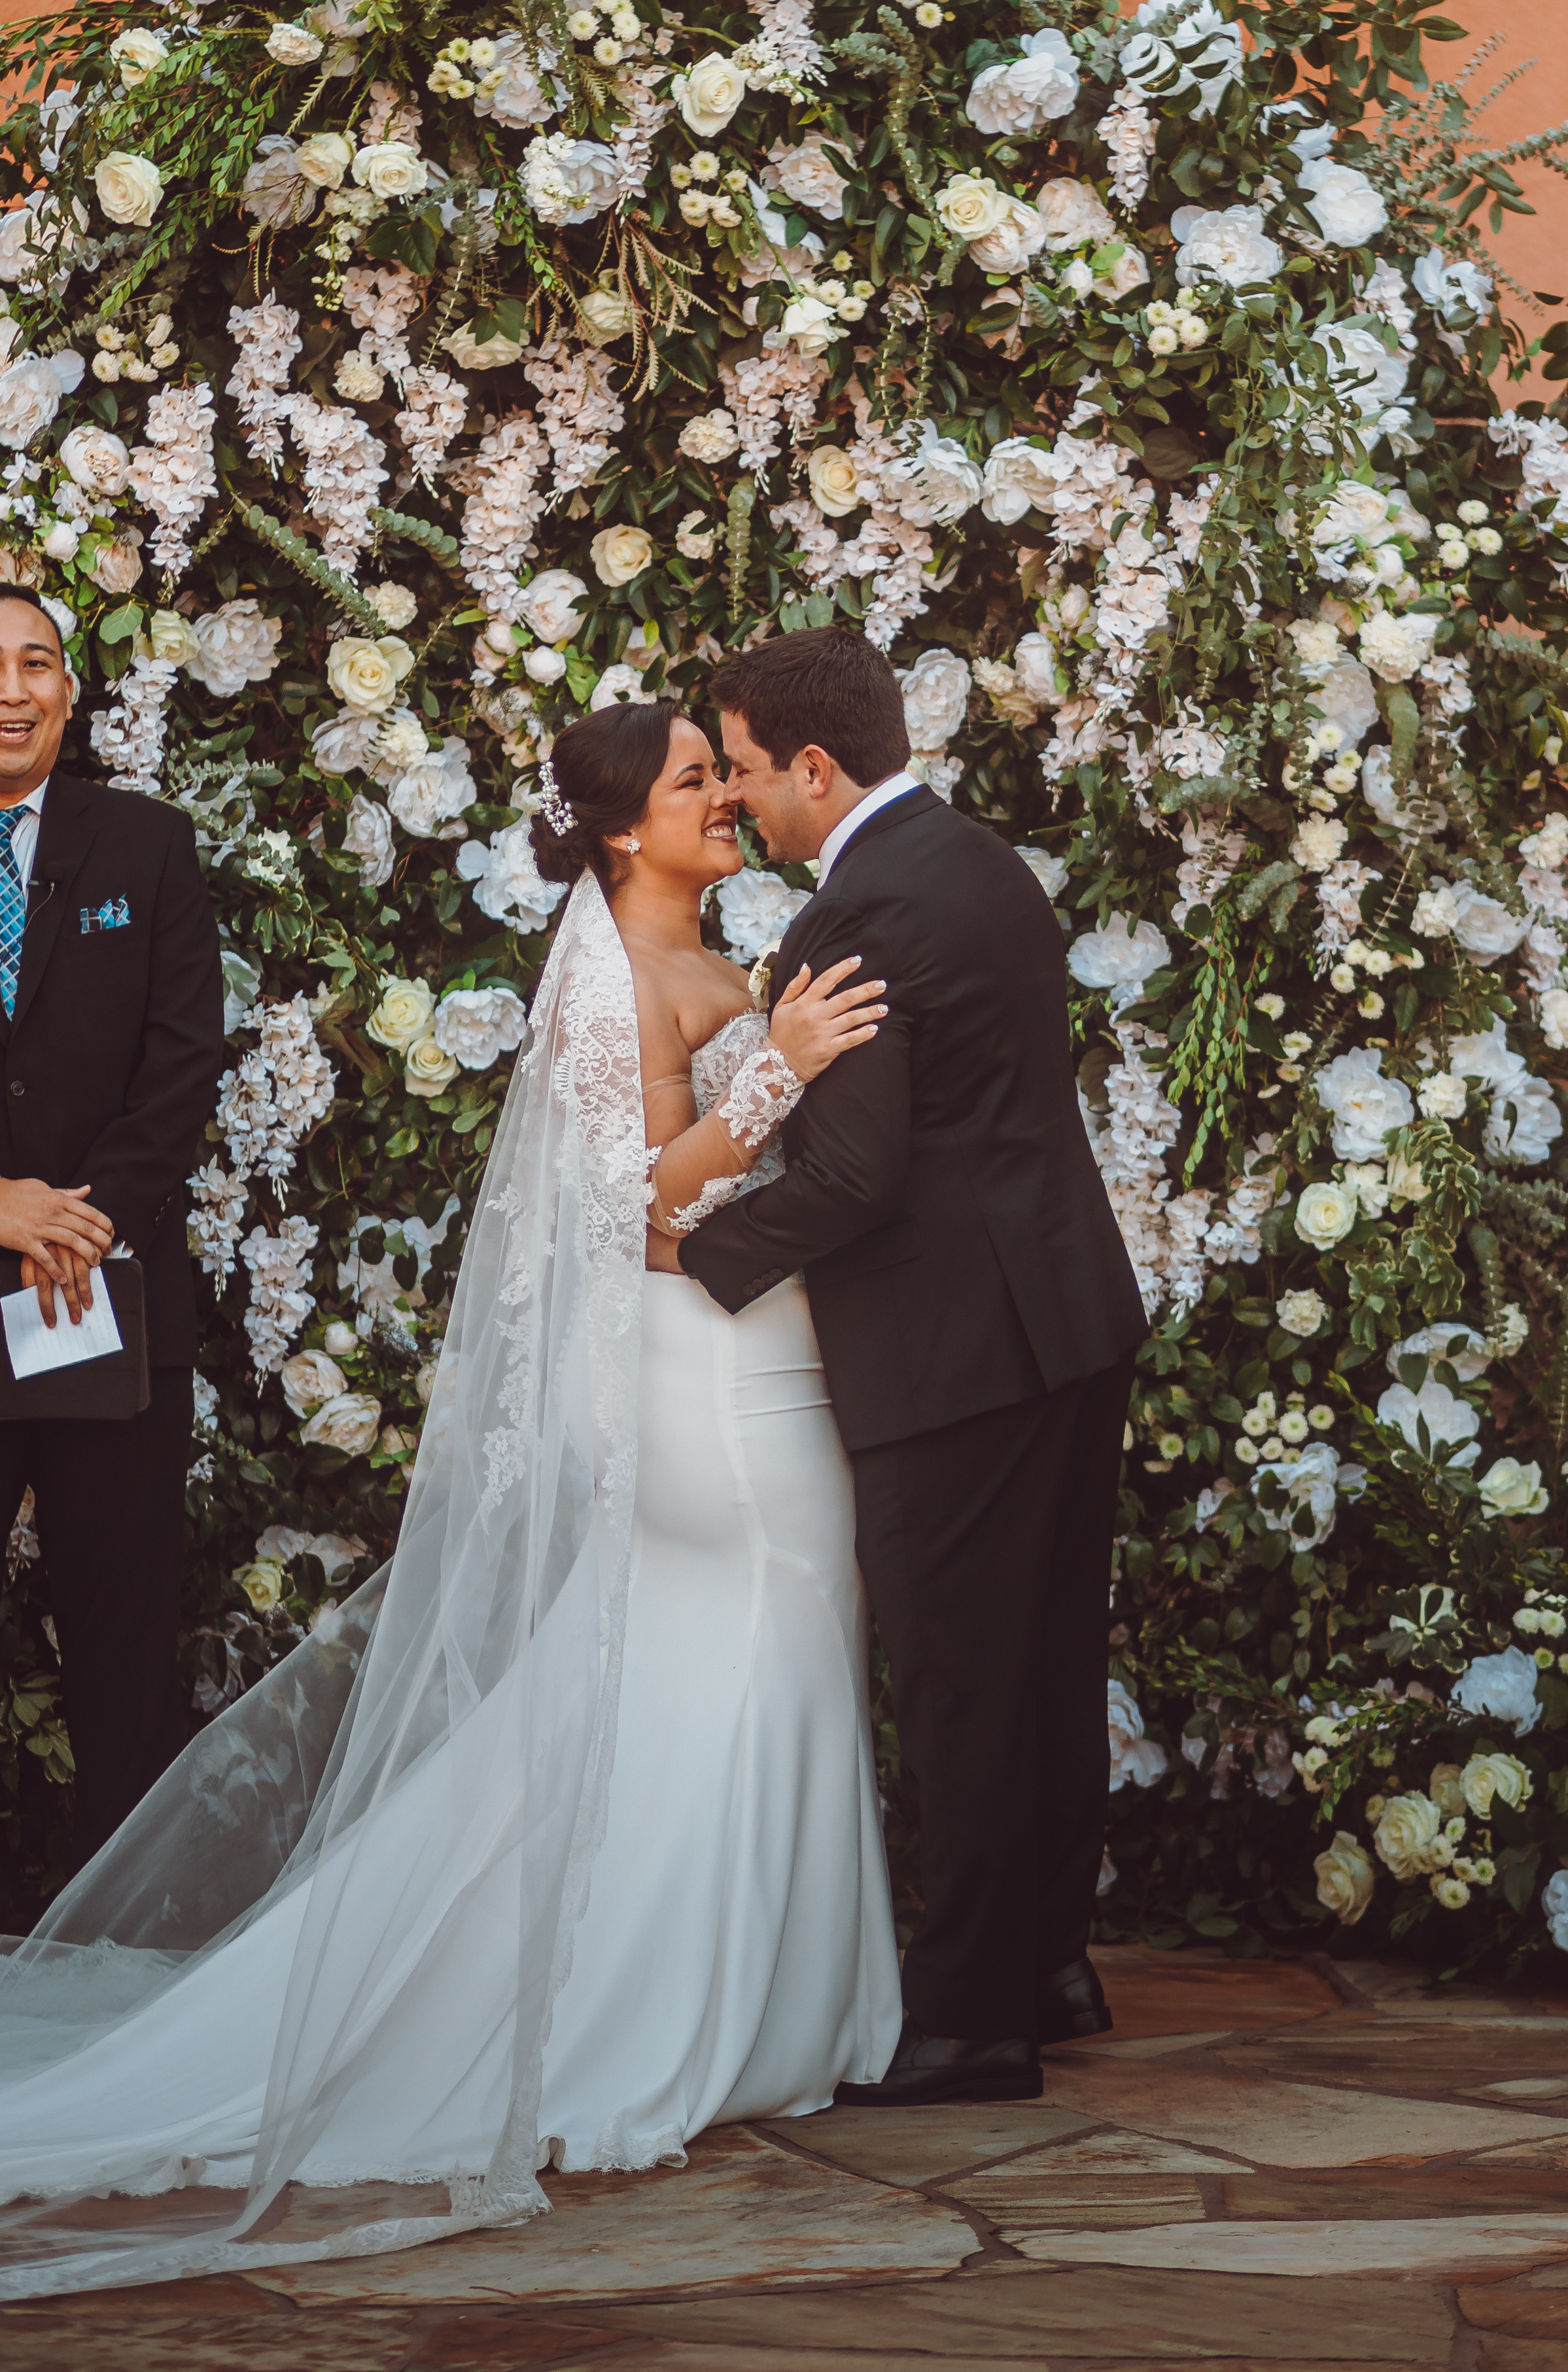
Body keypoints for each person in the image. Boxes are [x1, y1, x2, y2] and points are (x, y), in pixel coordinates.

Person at [0, 699, 899, 2298]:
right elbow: (629, 1203)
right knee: (738, 1639)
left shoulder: (729, 956)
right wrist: (778, 1082)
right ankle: (641, 2012)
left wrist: (782, 1059)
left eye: (720, 773)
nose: (723, 798)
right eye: (696, 780)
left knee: (755, 1657)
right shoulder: (612, 981)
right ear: (625, 826)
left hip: (767, 1343)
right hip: (685, 1367)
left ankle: (773, 1997)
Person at [667, 627, 1148, 2107]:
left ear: (817, 767)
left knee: (961, 1682)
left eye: (746, 770)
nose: (741, 800)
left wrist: (689, 1250)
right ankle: (1050, 1964)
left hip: (958, 1353)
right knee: (1048, 1665)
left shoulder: (852, 920)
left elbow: (858, 1176)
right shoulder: (983, 861)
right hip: (1065, 1321)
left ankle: (969, 2020)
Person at [0, 584, 224, 1868]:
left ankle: (120, 1946)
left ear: (72, 694)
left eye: (39, 663)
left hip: (108, 1305)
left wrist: (73, 1224)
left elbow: (184, 1060)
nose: (13, 688)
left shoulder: (145, 846)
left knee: (123, 1634)